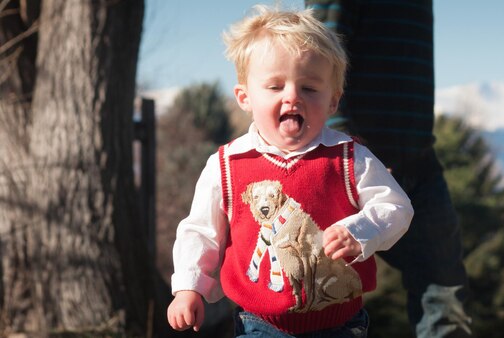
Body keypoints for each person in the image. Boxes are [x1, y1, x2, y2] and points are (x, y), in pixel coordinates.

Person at [166, 5, 414, 337]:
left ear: (333, 101)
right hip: (259, 325)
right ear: (245, 97)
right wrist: (188, 288)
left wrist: (361, 230)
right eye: (275, 86)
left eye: (309, 88)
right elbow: (201, 232)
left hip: (339, 324)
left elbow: (396, 207)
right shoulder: (228, 164)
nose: (293, 97)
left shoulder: (348, 157)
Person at [304, 0, 472, 337]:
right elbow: (317, 54)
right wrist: (349, 151)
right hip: (351, 166)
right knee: (317, 302)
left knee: (444, 294)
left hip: (420, 160)